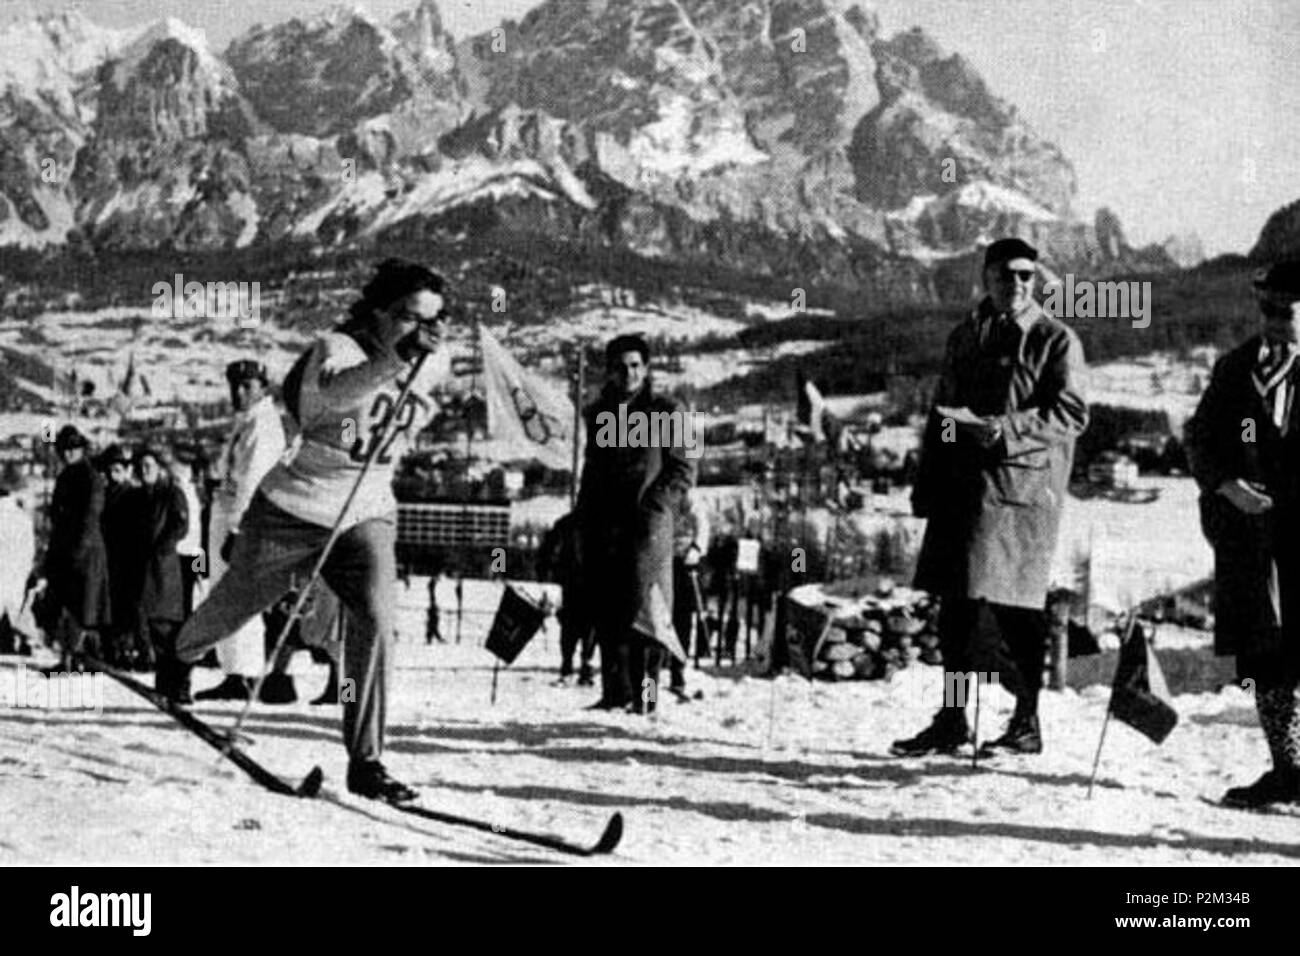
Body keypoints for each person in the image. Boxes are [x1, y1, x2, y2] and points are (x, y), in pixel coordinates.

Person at [167, 258, 459, 802]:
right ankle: (181, 653)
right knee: (236, 604)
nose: (420, 330)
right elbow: (330, 400)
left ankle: (367, 759)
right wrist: (397, 361)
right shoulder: (337, 349)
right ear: (377, 313)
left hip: (364, 508)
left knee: (375, 622)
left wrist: (416, 366)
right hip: (295, 507)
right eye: (407, 318)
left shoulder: (433, 359)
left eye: (432, 320)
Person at [894, 238, 1088, 758]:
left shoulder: (1055, 340)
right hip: (961, 492)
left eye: (1027, 275)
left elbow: (1070, 413)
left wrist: (1004, 430)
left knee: (1016, 614)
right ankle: (955, 716)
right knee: (955, 613)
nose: (1017, 284)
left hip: (1020, 495)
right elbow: (943, 414)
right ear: (986, 277)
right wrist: (928, 480)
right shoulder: (966, 336)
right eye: (1006, 275)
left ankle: (1026, 720)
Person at [1185, 260, 1300, 808]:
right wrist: (1226, 485)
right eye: (1268, 308)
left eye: (1289, 310)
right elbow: (1200, 437)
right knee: (1267, 655)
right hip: (1253, 540)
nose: (1276, 320)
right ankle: (1288, 768)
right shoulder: (1235, 370)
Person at [577, 334, 695, 714]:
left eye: (635, 366)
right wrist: (583, 518)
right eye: (620, 367)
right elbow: (592, 470)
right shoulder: (598, 414)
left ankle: (646, 696)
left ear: (645, 370)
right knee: (607, 609)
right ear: (609, 372)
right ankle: (615, 693)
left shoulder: (668, 410)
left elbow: (682, 470)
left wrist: (655, 507)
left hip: (648, 529)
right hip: (604, 526)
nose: (627, 373)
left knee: (648, 612)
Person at [194, 360, 286, 702]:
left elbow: (252, 482)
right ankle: (234, 669)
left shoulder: (262, 426)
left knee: (237, 595)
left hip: (242, 518)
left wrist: (237, 529)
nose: (239, 392)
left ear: (263, 386)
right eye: (235, 385)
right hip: (227, 512)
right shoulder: (247, 423)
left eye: (248, 386)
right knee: (223, 592)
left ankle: (243, 673)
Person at [35, 426, 111, 671]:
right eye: (64, 449)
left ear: (81, 449)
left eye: (73, 449)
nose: (68, 454)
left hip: (84, 553)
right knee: (66, 606)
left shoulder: (90, 477)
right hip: (65, 550)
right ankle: (69, 658)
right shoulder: (66, 475)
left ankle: (83, 659)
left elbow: (90, 516)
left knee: (82, 609)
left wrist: (78, 551)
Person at [132, 445, 191, 701]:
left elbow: (181, 525)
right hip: (146, 568)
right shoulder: (141, 496)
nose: (144, 471)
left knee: (168, 628)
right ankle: (164, 683)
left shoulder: (172, 493)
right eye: (141, 467)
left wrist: (162, 546)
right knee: (155, 628)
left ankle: (179, 685)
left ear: (160, 469)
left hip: (165, 569)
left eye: (149, 466)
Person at [99, 443, 148, 669]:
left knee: (130, 607)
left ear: (126, 470)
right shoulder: (103, 495)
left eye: (117, 469)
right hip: (110, 558)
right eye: (110, 470)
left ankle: (134, 651)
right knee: (112, 606)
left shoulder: (136, 495)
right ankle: (113, 650)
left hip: (130, 559)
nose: (112, 475)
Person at [537, 511, 594, 685]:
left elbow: (548, 554)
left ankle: (569, 668)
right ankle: (585, 668)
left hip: (571, 584)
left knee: (570, 629)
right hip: (589, 585)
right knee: (588, 629)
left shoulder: (565, 523)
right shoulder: (599, 523)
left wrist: (546, 576)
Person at [669, 489, 710, 699]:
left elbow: (702, 527)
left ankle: (678, 672)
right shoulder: (662, 492)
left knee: (681, 619)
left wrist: (696, 549)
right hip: (663, 561)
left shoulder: (690, 498)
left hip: (685, 563)